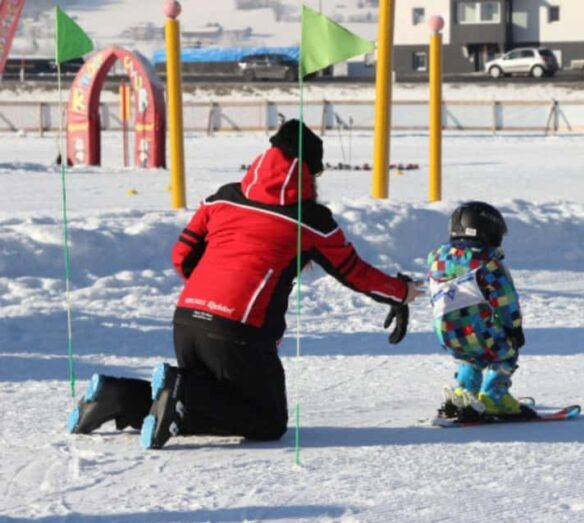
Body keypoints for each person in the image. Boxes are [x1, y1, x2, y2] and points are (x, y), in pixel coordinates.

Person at [68, 119, 423, 448]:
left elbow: (181, 256)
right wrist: (402, 292)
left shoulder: (223, 197)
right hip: (238, 332)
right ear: (310, 173)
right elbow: (354, 273)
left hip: (186, 319)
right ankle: (179, 391)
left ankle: (118, 397)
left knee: (214, 399)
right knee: (266, 421)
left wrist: (212, 294)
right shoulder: (311, 220)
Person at [427, 201, 530, 416]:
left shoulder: (437, 260)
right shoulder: (487, 262)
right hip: (477, 327)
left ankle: (464, 395)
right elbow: (505, 298)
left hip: (445, 330)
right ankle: (494, 397)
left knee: (469, 357)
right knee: (505, 352)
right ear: (486, 232)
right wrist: (514, 328)